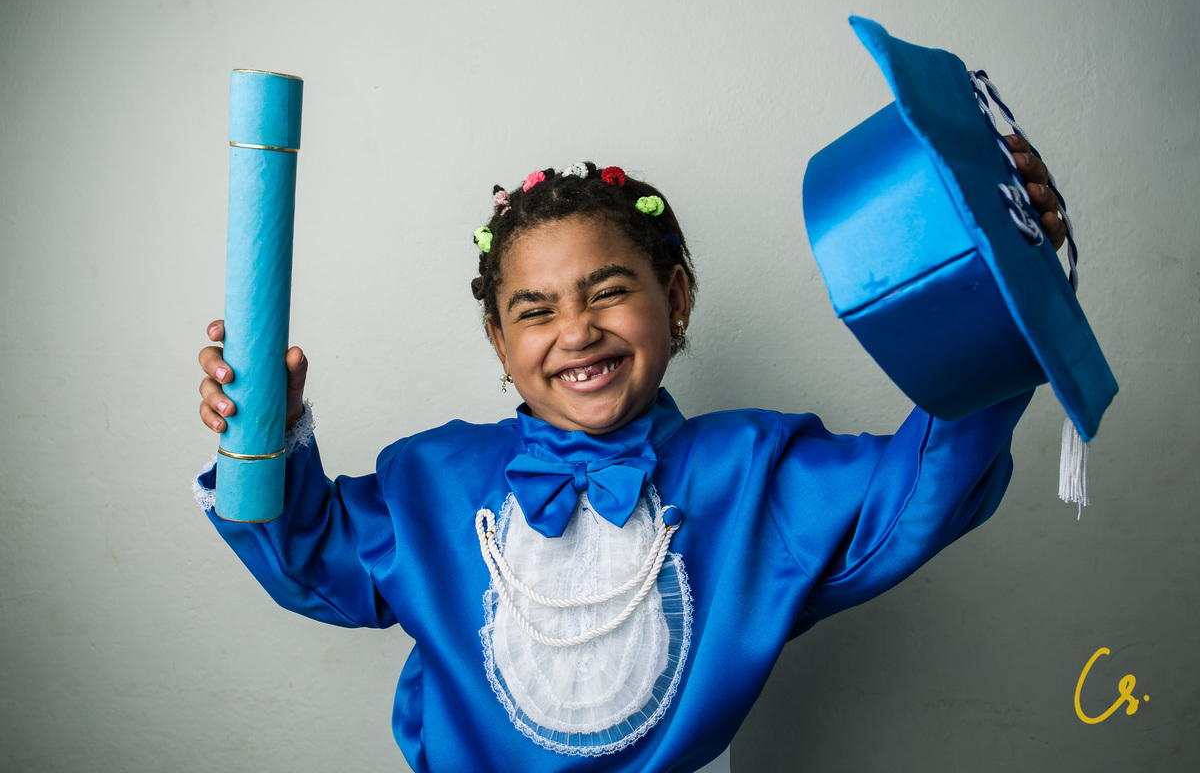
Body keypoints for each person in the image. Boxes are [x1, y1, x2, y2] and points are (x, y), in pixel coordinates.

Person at [195, 138, 1065, 773]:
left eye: (609, 292)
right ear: (498, 341)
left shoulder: (755, 476)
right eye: (534, 311)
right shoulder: (431, 482)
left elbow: (922, 488)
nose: (576, 331)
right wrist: (259, 428)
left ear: (675, 298)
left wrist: (1002, 274)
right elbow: (310, 556)